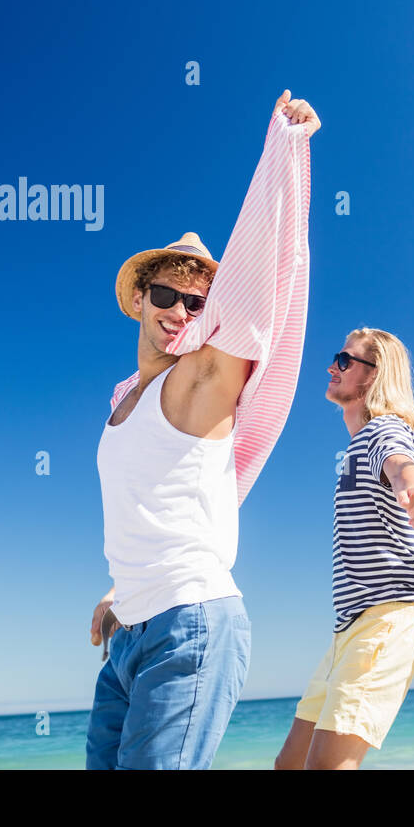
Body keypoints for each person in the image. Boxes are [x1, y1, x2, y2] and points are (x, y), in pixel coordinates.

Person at [85, 91, 320, 769]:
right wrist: (116, 595)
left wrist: (284, 153)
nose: (180, 310)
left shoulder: (200, 383)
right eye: (166, 295)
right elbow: (157, 507)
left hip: (190, 626)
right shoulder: (126, 399)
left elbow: (260, 285)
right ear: (139, 299)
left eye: (197, 302)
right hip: (127, 637)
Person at [273, 329, 414, 769]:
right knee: (288, 765)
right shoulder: (356, 444)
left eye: (344, 360)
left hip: (387, 618)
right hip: (349, 627)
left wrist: (412, 486)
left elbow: (400, 459)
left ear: (374, 376)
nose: (332, 367)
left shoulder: (383, 431)